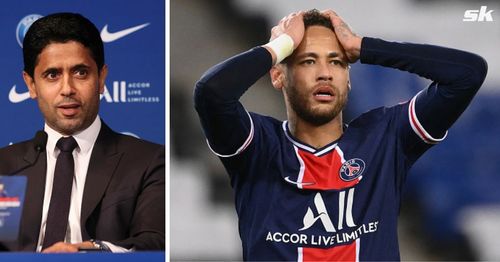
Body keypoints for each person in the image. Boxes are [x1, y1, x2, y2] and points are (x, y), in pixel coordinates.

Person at [194, 9, 487, 261]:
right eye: (308, 61)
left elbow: (467, 74)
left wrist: (363, 47)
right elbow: (212, 93)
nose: (325, 73)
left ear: (348, 78)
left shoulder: (385, 138)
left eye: (336, 61)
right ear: (278, 75)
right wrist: (280, 46)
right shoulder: (257, 147)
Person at [0, 13, 164, 252]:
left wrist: (91, 251)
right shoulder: (4, 166)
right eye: (52, 75)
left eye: (80, 73)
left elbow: (155, 242)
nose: (67, 89)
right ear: (31, 85)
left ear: (101, 79)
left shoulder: (148, 161)